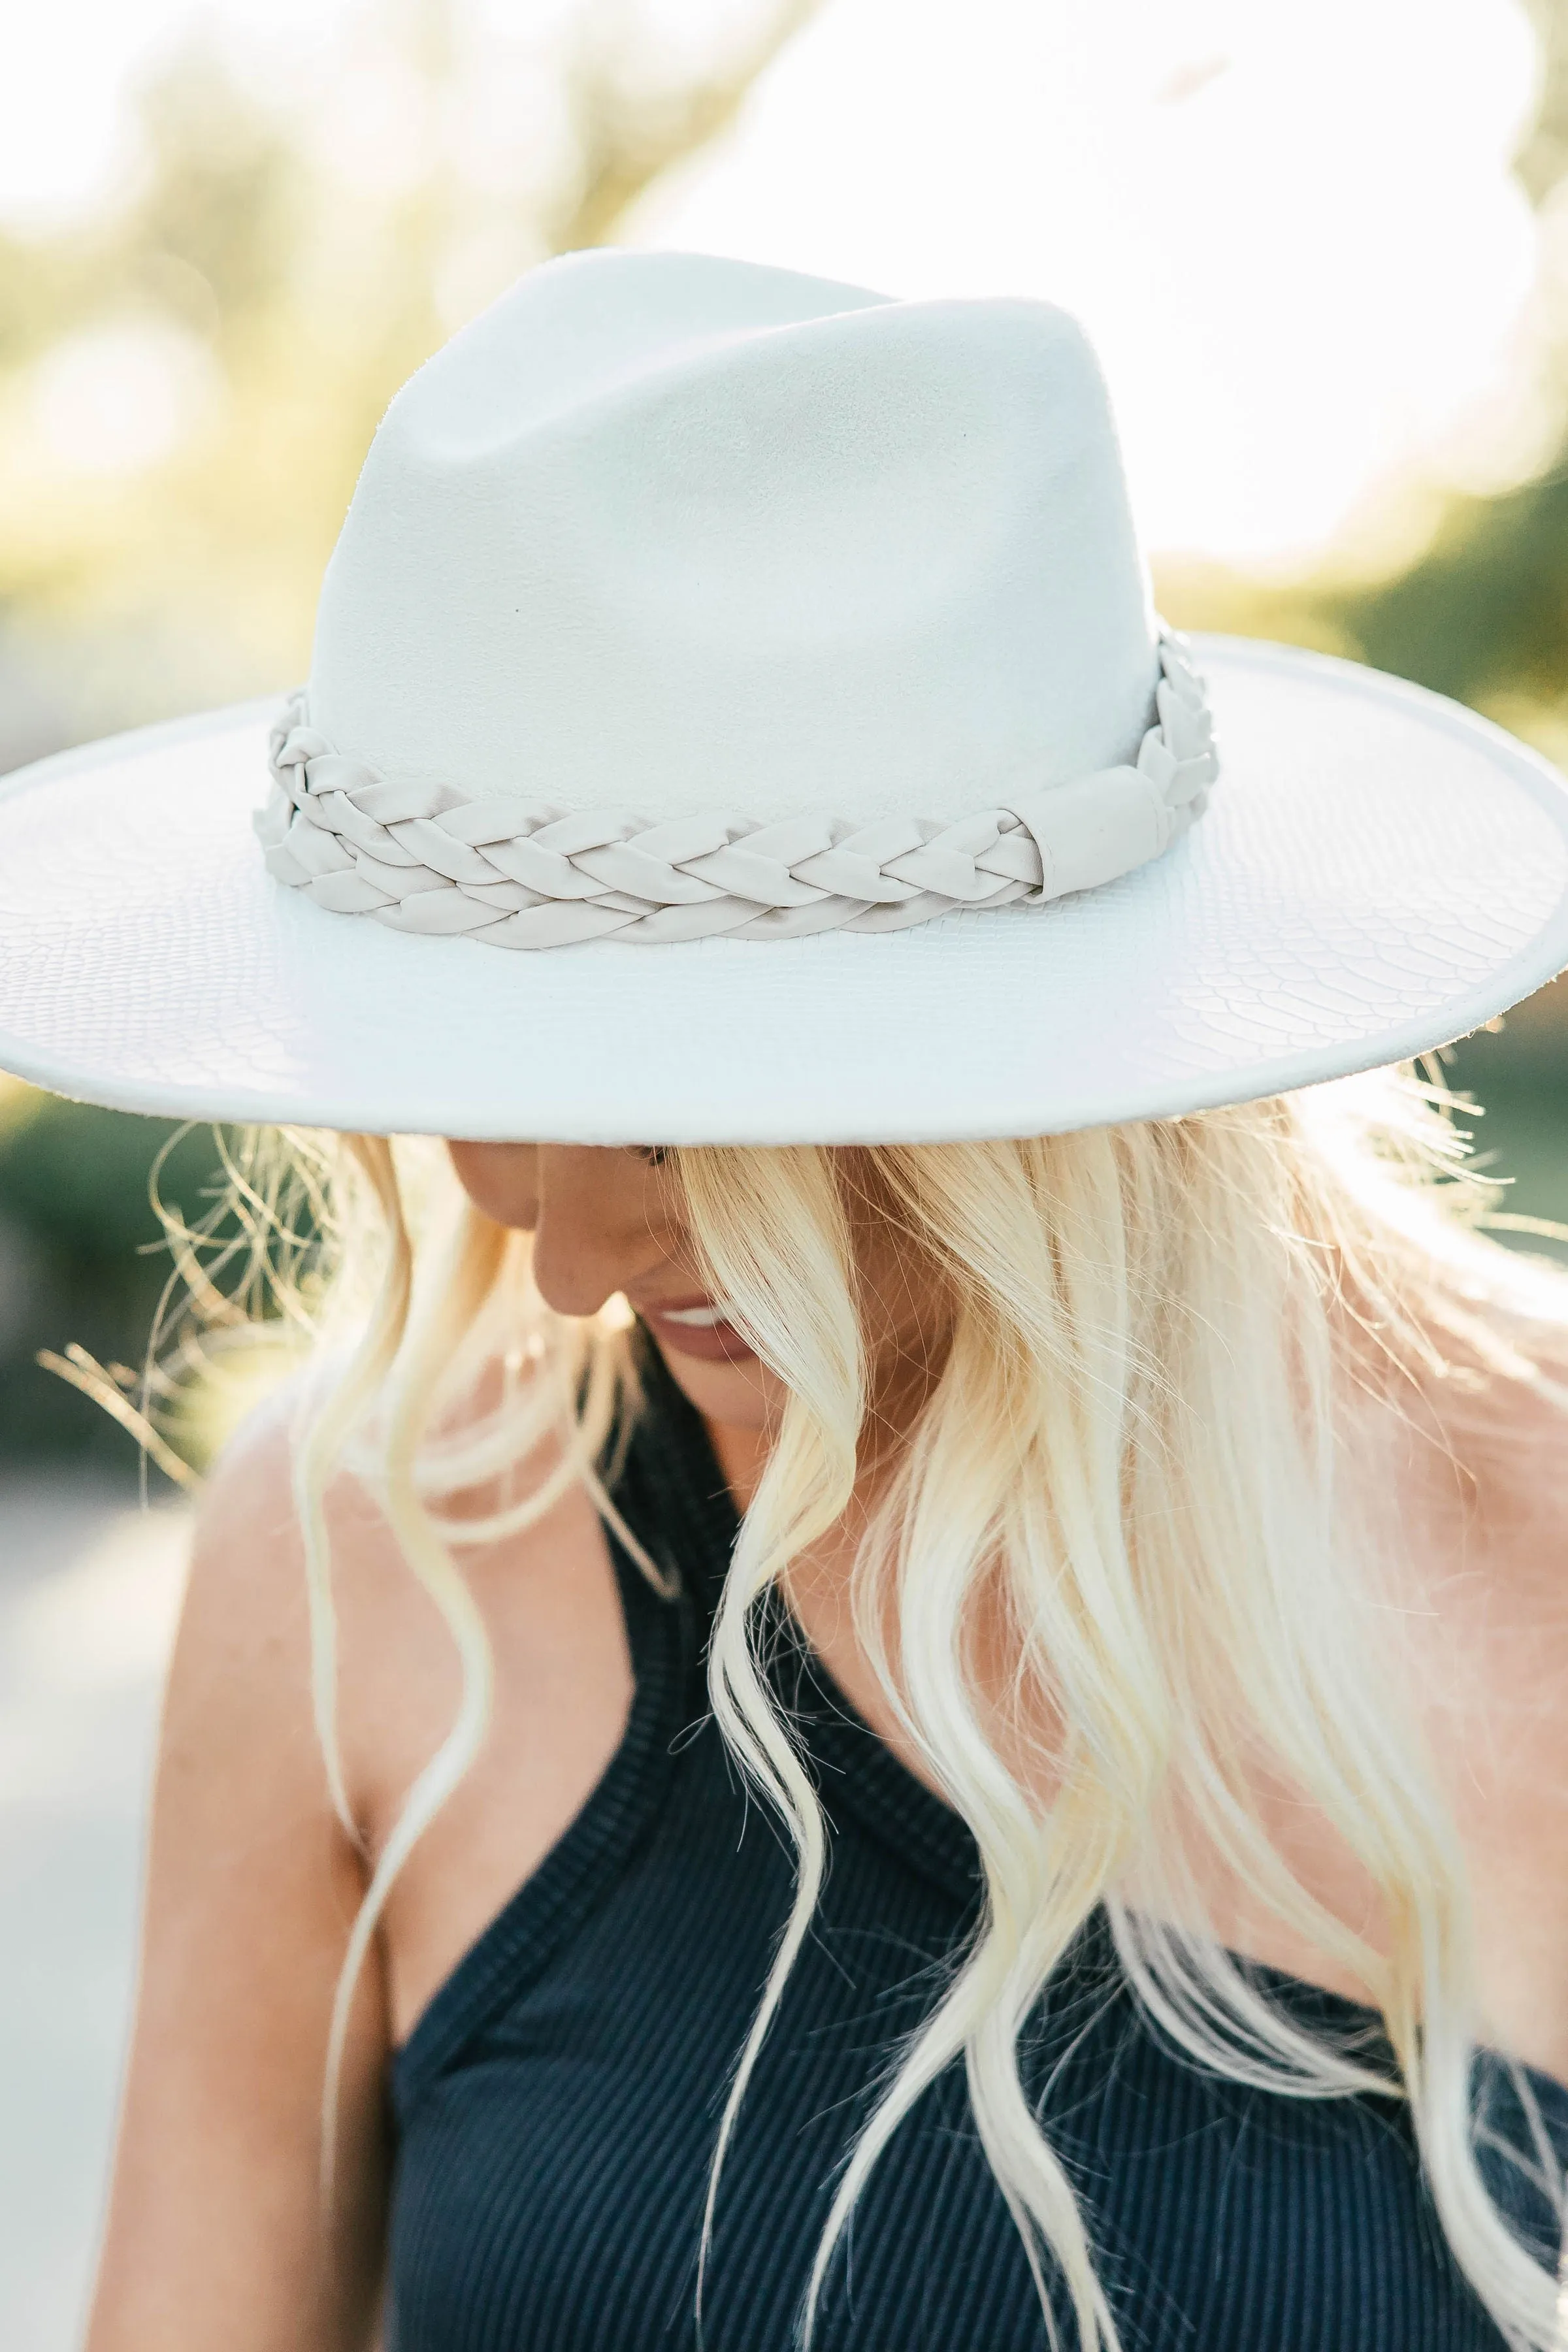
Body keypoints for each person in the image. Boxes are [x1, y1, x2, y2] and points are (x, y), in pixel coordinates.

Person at [1, 248, 1566, 2351]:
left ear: (1057, 1076)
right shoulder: (377, 1558)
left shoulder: (1535, 1546)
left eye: (663, 1129)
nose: (555, 1261)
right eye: (476, 1094)